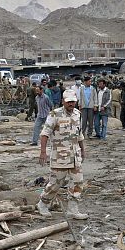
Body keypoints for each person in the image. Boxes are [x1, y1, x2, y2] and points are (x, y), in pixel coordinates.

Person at [36, 90, 88, 220]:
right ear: (63, 101)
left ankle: (73, 210)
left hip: (75, 156)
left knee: (77, 182)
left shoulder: (78, 114)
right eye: (68, 101)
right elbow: (44, 134)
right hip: (60, 157)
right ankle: (43, 204)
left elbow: (80, 134)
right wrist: (43, 152)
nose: (71, 103)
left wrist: (83, 149)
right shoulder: (54, 114)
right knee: (55, 183)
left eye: (73, 101)